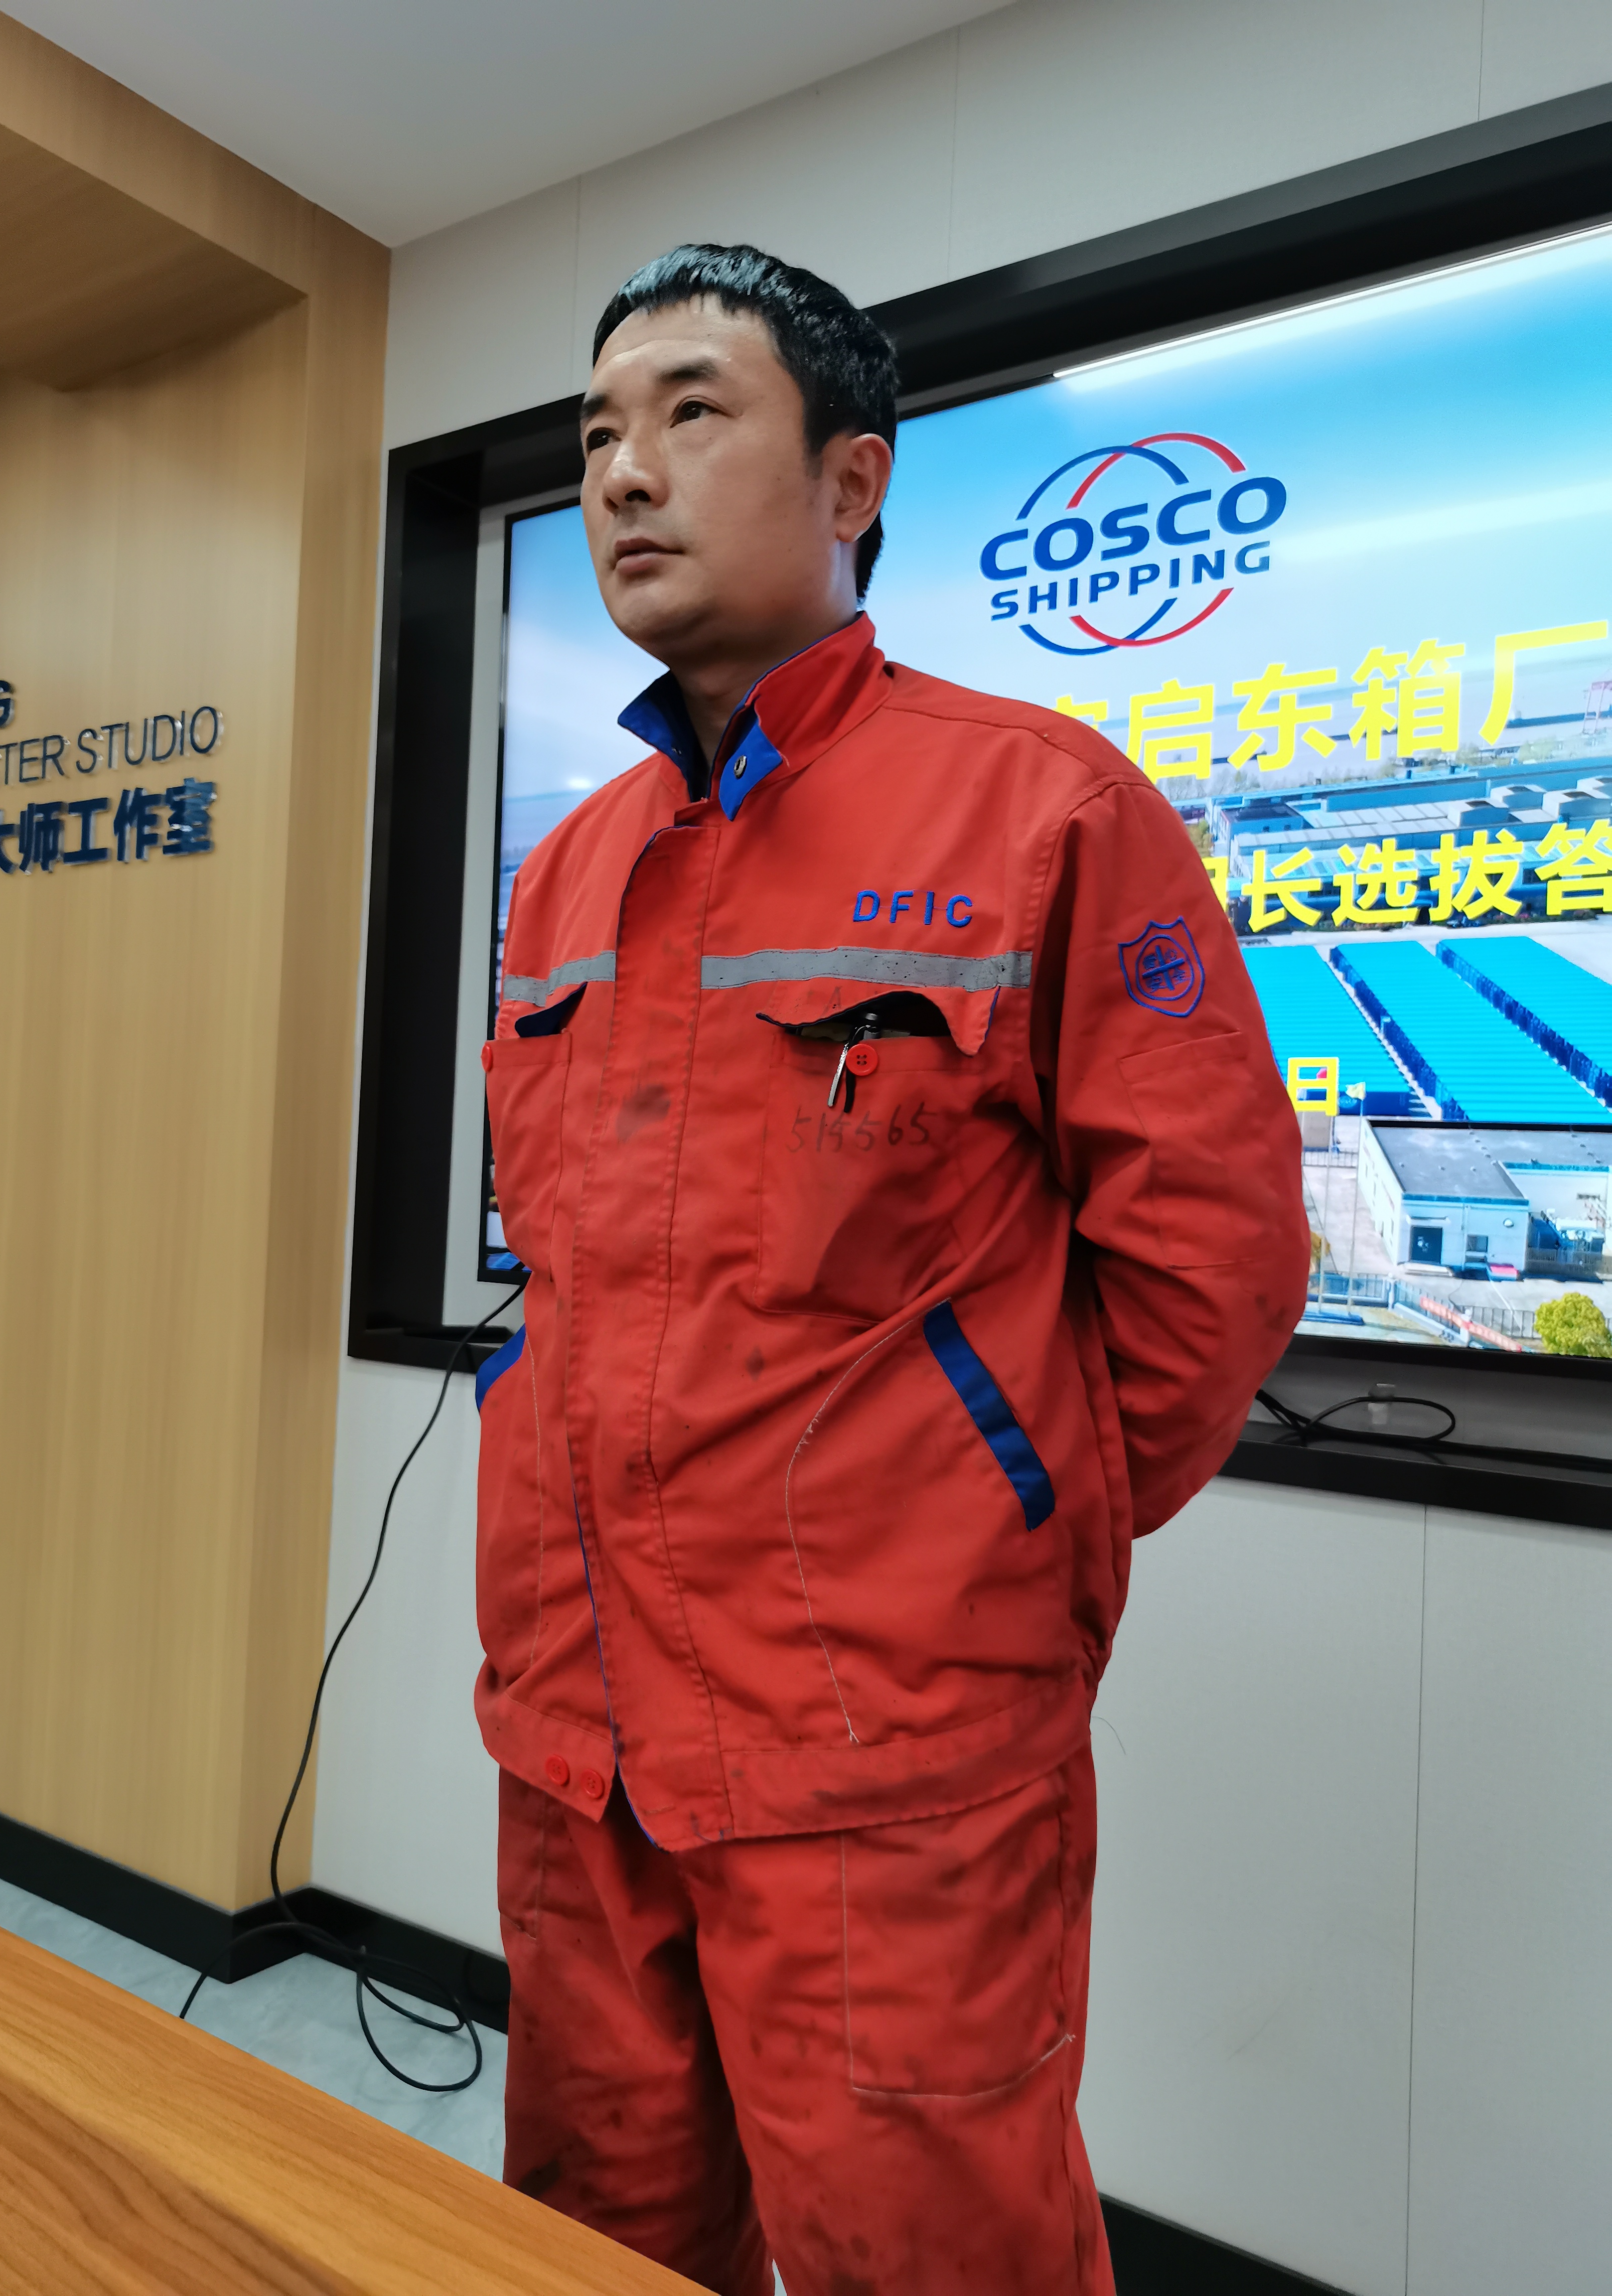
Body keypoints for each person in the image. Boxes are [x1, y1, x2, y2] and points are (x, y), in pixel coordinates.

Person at [472, 243, 1310, 2296]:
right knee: (594, 2234)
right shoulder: (571, 868)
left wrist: (996, 1525)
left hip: (888, 1755)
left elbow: (1213, 1261)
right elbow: (574, 1271)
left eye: (691, 413)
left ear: (853, 482)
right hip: (580, 1734)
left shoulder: (1039, 808)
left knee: (930, 2254)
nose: (623, 475)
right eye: (597, 435)